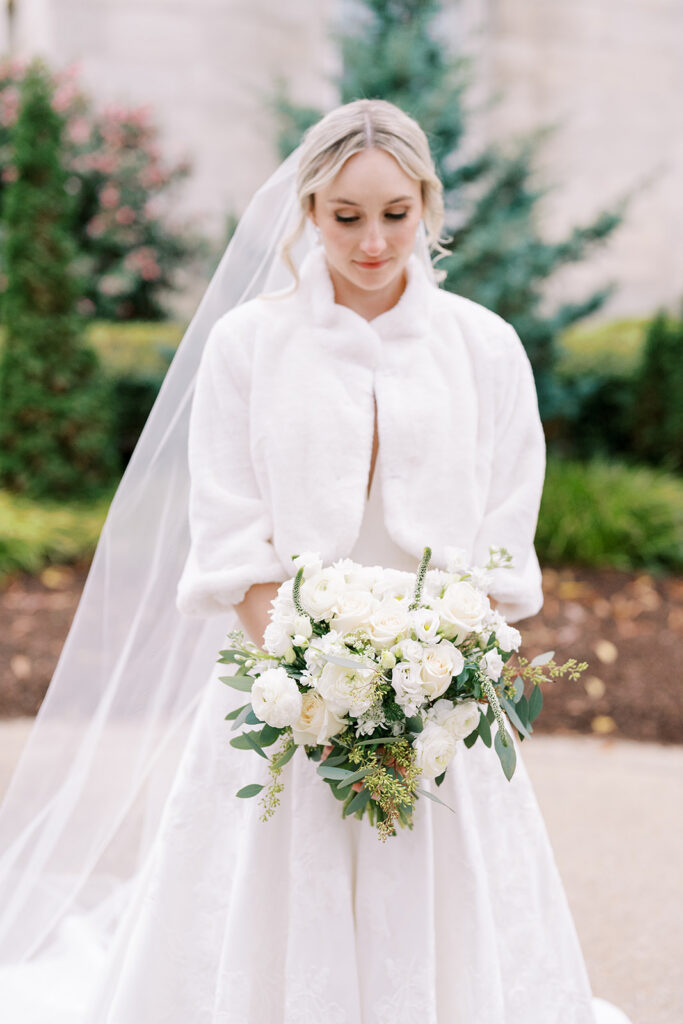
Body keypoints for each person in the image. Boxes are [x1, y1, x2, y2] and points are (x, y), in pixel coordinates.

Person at [0, 99, 633, 1023]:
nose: (371, 241)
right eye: (345, 217)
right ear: (306, 210)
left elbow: (504, 535)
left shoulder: (485, 347)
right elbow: (229, 531)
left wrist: (431, 682)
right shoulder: (247, 345)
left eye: (394, 214)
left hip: (439, 701)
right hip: (275, 686)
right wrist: (314, 684)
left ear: (428, 206)